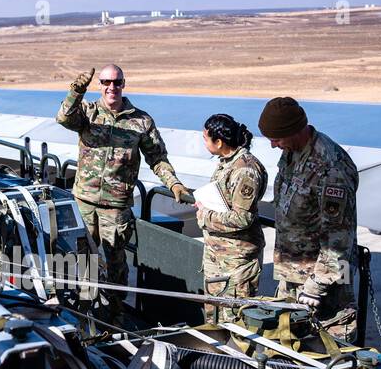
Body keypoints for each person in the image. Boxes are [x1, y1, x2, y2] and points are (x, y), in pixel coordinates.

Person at [56, 65, 193, 324]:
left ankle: (116, 318)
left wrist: (174, 184)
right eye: (106, 82)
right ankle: (84, 313)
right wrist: (76, 90)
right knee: (82, 260)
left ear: (124, 84)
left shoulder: (141, 121)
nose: (111, 87)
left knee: (115, 264)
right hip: (84, 201)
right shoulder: (88, 112)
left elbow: (158, 158)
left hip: (115, 207)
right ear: (100, 85)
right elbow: (63, 118)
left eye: (116, 82)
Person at [260, 96, 359, 338]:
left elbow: (338, 241)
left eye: (276, 139)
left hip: (325, 285)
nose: (273, 145)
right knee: (287, 345)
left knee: (330, 349)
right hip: (295, 273)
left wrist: (316, 287)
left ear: (294, 130)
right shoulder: (293, 152)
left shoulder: (330, 169)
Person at [197, 114, 266, 327]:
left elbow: (242, 217)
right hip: (219, 255)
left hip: (236, 261)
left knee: (235, 321)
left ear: (219, 142)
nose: (203, 142)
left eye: (205, 138)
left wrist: (204, 215)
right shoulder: (227, 163)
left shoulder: (245, 170)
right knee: (214, 318)